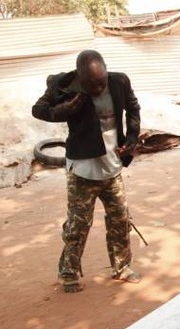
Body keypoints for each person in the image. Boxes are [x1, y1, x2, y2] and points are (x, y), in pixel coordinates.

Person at [31, 50, 142, 293]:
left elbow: (134, 109)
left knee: (120, 220)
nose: (100, 87)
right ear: (81, 77)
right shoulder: (66, 86)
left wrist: (132, 138)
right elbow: (38, 110)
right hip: (82, 169)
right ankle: (68, 274)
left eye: (102, 81)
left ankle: (122, 267)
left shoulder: (119, 81)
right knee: (78, 226)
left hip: (112, 167)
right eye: (93, 84)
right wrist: (65, 109)